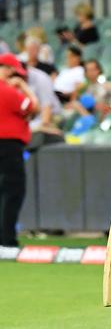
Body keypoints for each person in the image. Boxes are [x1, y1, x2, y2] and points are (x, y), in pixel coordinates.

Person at [0, 53, 39, 247]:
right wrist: (23, 87)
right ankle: (6, 240)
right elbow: (33, 106)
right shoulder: (8, 91)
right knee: (12, 191)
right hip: (8, 146)